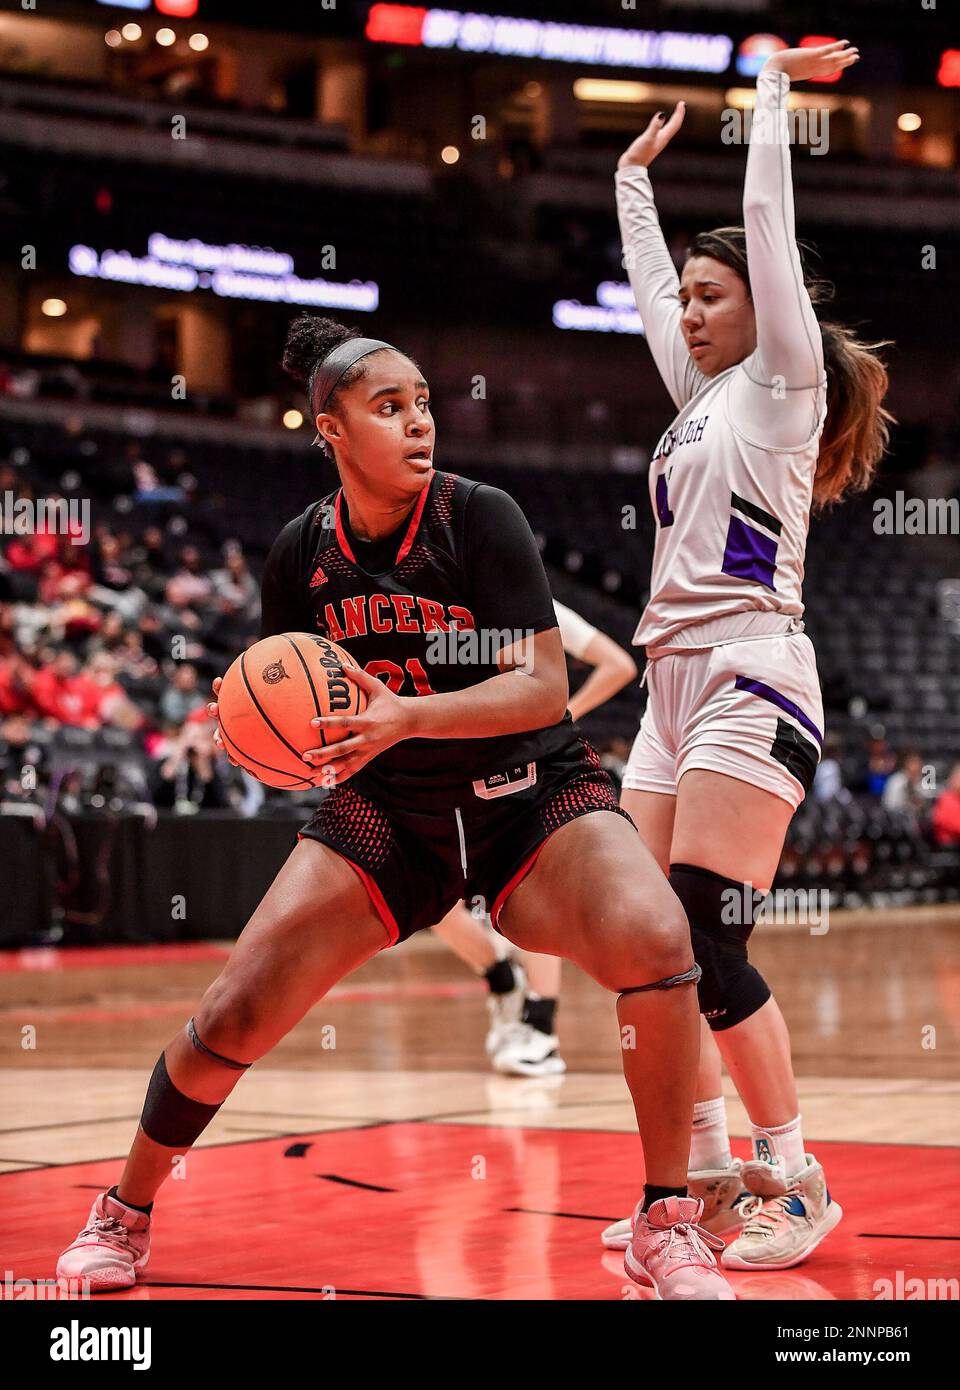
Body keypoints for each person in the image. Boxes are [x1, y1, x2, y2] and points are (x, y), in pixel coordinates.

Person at [57, 316, 734, 1301]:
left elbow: (543, 686)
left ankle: (664, 1221)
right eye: (389, 407)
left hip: (528, 795)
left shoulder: (479, 517)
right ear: (329, 428)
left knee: (658, 939)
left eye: (424, 403)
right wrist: (258, 727)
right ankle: (122, 1213)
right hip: (386, 818)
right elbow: (297, 704)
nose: (421, 423)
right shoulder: (298, 555)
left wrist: (406, 712)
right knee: (232, 1010)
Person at [602, 41, 893, 1271]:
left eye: (714, 296)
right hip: (666, 689)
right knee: (642, 949)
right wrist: (630, 184)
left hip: (751, 670)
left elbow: (768, 216)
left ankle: (794, 1170)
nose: (692, 310)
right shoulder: (695, 397)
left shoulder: (782, 382)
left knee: (705, 932)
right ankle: (705, 1178)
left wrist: (770, 87)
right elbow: (653, 287)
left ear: (766, 313)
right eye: (692, 301)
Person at [432, 599, 638, 1076]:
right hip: (455, 767)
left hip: (526, 769)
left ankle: (541, 1029)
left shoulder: (527, 596)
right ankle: (502, 978)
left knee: (525, 897)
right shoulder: (436, 601)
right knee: (433, 901)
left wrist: (562, 712)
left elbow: (619, 664)